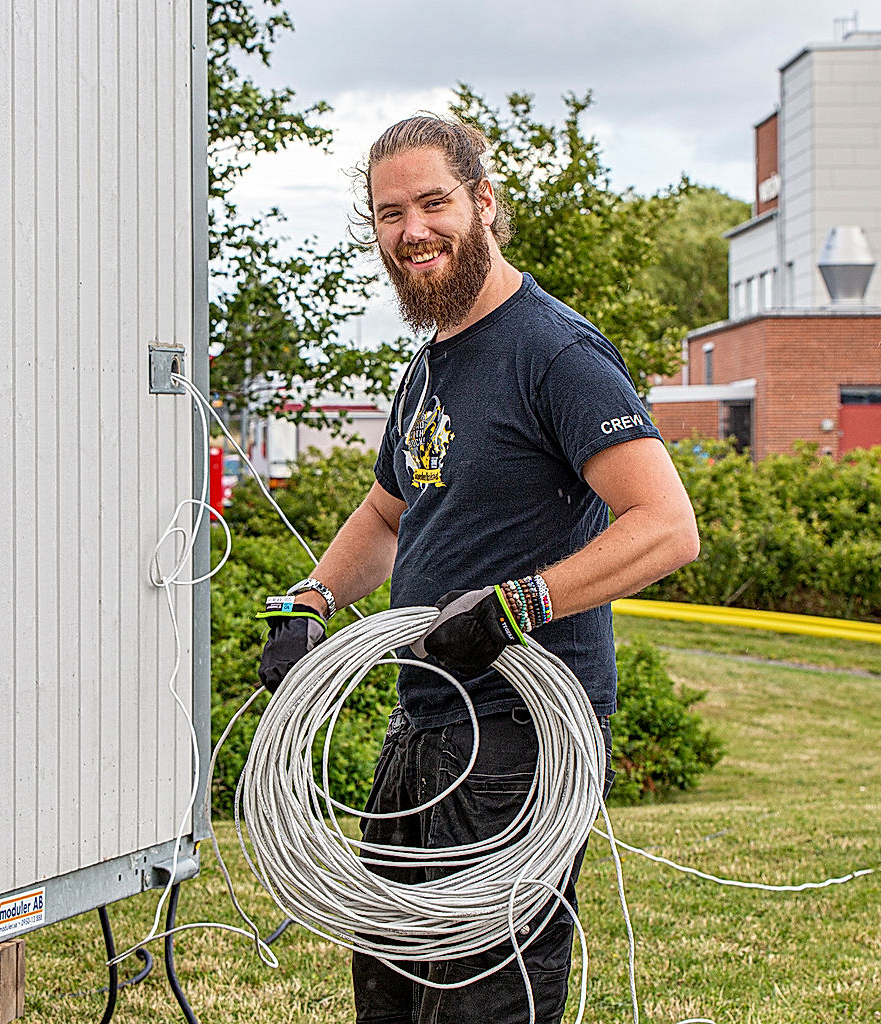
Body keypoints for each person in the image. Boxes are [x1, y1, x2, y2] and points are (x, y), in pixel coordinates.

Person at [257, 114, 700, 1024]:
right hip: (425, 718)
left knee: (480, 998)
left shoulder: (556, 354)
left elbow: (665, 527)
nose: (411, 229)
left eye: (432, 202)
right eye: (389, 213)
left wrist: (513, 607)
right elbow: (390, 509)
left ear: (483, 204)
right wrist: (310, 598)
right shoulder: (431, 365)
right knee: (391, 982)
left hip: (517, 737)